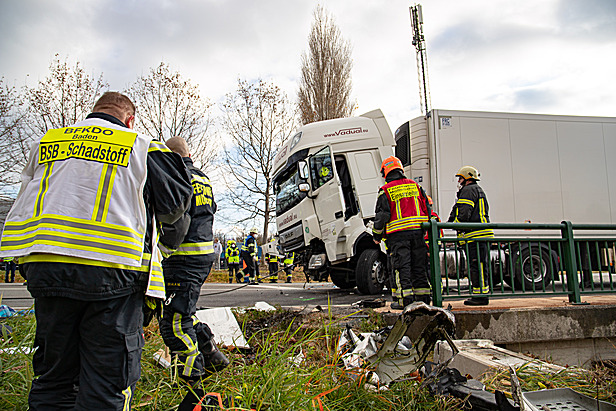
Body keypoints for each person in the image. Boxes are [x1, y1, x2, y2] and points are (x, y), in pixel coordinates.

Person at [0, 92, 193, 410]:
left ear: (93, 112)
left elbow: (24, 200)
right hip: (113, 272)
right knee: (106, 382)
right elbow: (176, 206)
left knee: (53, 377)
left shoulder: (47, 142)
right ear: (130, 120)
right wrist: (164, 248)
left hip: (46, 267)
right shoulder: (142, 146)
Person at [158, 136, 229, 392]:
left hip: (182, 258)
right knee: (183, 312)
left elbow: (177, 218)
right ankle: (211, 354)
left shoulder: (177, 176)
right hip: (202, 256)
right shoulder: (202, 178)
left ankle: (191, 382)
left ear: (170, 157)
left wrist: (162, 249)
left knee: (174, 324)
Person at [372, 156, 432, 309]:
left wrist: (377, 236)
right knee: (419, 266)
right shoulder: (415, 186)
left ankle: (405, 301)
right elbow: (427, 209)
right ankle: (424, 299)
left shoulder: (385, 191)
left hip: (398, 236)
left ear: (385, 172)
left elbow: (382, 216)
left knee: (401, 267)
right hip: (418, 234)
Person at [447, 165, 494, 306]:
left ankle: (480, 296)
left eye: (460, 178)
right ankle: (480, 294)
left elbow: (464, 214)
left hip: (476, 235)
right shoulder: (476, 190)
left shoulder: (468, 190)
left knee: (477, 266)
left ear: (467, 178)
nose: (459, 181)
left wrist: (455, 225)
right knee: (479, 265)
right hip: (479, 235)